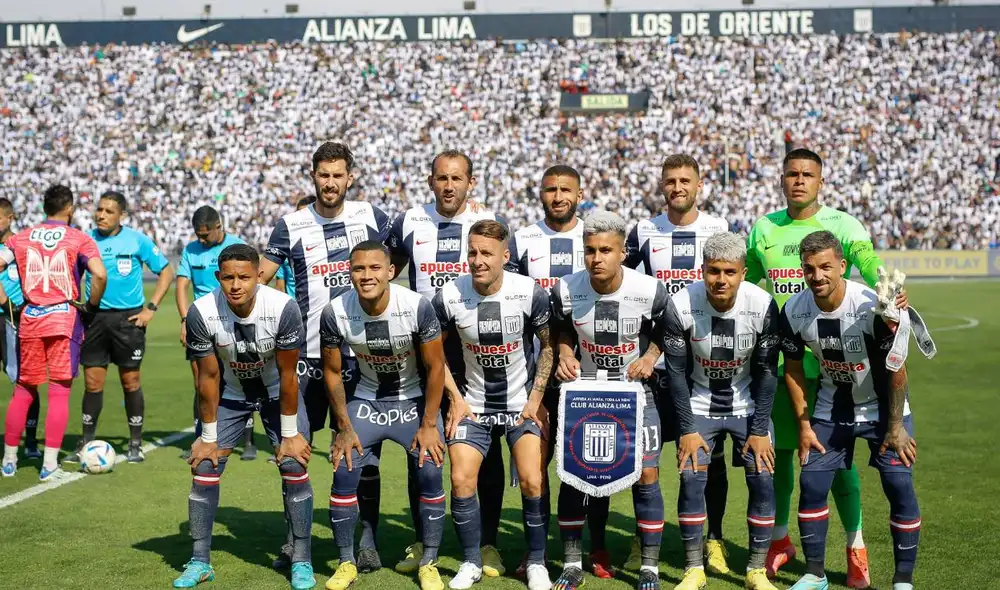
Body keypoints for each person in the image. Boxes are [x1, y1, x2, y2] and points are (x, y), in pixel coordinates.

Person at [745, 148, 906, 587]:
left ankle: (855, 547)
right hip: (785, 364)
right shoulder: (764, 227)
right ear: (782, 179)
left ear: (820, 181)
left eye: (808, 175)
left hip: (840, 369)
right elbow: (748, 281)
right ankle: (781, 541)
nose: (799, 181)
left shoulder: (842, 224)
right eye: (792, 174)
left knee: (839, 465)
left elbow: (869, 262)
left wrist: (887, 288)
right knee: (780, 457)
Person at [260, 142, 390, 570]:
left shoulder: (371, 216)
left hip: (360, 360)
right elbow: (258, 279)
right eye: (323, 174)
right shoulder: (290, 225)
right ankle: (296, 542)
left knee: (363, 457)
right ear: (312, 176)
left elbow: (402, 252)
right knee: (294, 453)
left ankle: (365, 541)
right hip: (304, 361)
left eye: (338, 175)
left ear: (350, 177)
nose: (330, 182)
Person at [388, 149, 509, 577]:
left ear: (470, 183)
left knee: (485, 445)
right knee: (422, 445)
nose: (449, 186)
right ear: (431, 180)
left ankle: (487, 543)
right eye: (442, 178)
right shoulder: (408, 221)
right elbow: (388, 267)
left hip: (475, 347)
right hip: (422, 349)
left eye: (457, 178)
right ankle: (423, 538)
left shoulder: (486, 221)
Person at [779, 231, 920, 590]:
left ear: (842, 266)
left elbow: (897, 368)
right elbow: (793, 368)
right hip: (831, 407)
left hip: (884, 410)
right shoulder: (794, 310)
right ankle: (815, 574)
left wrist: (894, 427)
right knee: (811, 482)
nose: (818, 275)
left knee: (898, 483)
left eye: (826, 267)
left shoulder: (872, 306)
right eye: (809, 268)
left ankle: (903, 579)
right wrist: (804, 424)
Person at [173, 244, 316, 590]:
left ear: (259, 276)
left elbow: (288, 376)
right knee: (204, 465)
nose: (236, 285)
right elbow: (207, 378)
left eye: (244, 277)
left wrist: (289, 434)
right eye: (228, 278)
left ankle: (301, 560)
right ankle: (200, 560)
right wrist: (207, 438)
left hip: (276, 393)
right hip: (231, 395)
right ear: (217, 278)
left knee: (294, 464)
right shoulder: (201, 312)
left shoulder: (283, 308)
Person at [431, 220, 554, 590]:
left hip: (521, 404)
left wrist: (536, 398)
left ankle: (536, 563)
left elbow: (548, 347)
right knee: (460, 478)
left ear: (505, 255)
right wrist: (454, 398)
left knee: (534, 479)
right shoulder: (450, 295)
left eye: (486, 253)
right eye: (472, 252)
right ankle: (470, 562)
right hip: (474, 406)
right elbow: (434, 354)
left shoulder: (529, 292)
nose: (477, 260)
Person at [625, 154, 733, 574]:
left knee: (712, 457)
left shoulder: (718, 228)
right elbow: (624, 286)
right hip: (652, 365)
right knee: (643, 459)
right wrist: (649, 349)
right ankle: (641, 537)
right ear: (662, 185)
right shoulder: (645, 231)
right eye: (670, 181)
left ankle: (714, 539)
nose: (677, 187)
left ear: (700, 184)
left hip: (705, 363)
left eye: (685, 180)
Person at [550, 209, 669, 590]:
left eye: (605, 250)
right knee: (575, 476)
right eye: (589, 250)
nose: (596, 258)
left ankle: (649, 566)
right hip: (586, 393)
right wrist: (566, 354)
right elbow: (561, 330)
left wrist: (650, 358)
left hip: (637, 394)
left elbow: (669, 331)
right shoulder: (566, 289)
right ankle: (571, 563)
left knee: (646, 474)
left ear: (622, 253)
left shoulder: (648, 289)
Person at [505, 164, 614, 580]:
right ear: (540, 193)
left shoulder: (595, 236)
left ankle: (598, 545)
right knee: (538, 463)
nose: (557, 196)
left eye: (565, 189)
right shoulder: (524, 240)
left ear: (579, 192)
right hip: (538, 374)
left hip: (591, 372)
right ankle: (540, 550)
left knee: (594, 462)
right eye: (550, 189)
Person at [322, 241, 448, 590]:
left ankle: (429, 562)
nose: (366, 276)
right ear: (349, 272)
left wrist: (428, 424)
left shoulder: (415, 306)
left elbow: (436, 367)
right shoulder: (335, 311)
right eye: (358, 269)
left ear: (391, 271)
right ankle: (346, 562)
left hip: (412, 401)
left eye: (375, 268)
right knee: (344, 471)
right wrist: (343, 427)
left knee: (430, 469)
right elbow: (332, 373)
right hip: (367, 399)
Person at [661, 232, 780, 590]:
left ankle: (756, 570)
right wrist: (686, 428)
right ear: (702, 270)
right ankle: (694, 569)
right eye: (713, 271)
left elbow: (767, 372)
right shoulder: (681, 305)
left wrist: (759, 430)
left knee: (762, 476)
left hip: (747, 406)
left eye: (730, 272)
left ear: (744, 272)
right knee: (691, 476)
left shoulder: (761, 305)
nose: (721, 280)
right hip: (698, 403)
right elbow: (676, 374)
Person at [0, 185, 107, 481]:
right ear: (69, 209)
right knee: (59, 391)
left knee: (23, 389)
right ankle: (49, 465)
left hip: (31, 317)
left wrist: (7, 302)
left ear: (43, 207)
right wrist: (91, 306)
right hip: (63, 317)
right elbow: (100, 273)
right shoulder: (79, 239)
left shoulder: (22, 237)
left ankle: (9, 460)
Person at [65, 191, 174, 464]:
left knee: (131, 382)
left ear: (121, 215)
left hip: (128, 321)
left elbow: (165, 271)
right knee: (92, 384)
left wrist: (151, 309)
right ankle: (87, 441)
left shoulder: (137, 240)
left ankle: (135, 443)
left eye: (108, 211)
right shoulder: (84, 240)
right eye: (99, 210)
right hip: (94, 319)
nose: (101, 215)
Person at [176, 206, 252, 460]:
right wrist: (185, 318)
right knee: (202, 383)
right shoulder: (190, 250)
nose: (201, 239)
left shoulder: (237, 246)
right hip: (201, 322)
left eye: (205, 235)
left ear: (219, 227)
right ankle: (203, 438)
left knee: (242, 380)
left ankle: (248, 442)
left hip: (233, 320)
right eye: (198, 234)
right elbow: (182, 284)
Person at [0, 198, 40, 458]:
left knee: (26, 382)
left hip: (15, 320)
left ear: (10, 217)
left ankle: (31, 440)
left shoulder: (24, 246)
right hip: (5, 311)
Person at [274, 197, 316, 298]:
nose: (303, 220)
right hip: (296, 311)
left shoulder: (329, 246)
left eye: (307, 215)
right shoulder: (285, 248)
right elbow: (280, 289)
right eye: (299, 215)